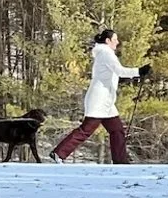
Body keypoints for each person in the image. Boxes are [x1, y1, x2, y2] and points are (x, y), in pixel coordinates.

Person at [49, 29, 151, 164]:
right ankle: (59, 153)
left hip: (106, 102)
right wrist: (139, 71)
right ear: (108, 41)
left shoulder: (105, 53)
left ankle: (121, 162)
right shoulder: (105, 53)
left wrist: (136, 74)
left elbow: (113, 75)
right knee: (86, 130)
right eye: (115, 40)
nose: (117, 42)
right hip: (98, 100)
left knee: (117, 130)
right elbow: (120, 71)